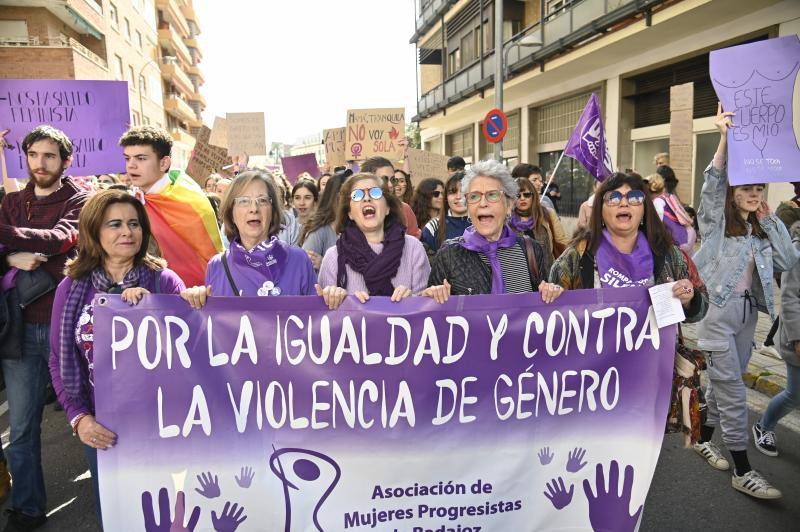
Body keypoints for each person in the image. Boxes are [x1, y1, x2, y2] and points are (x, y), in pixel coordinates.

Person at [48, 190, 185, 521]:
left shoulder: (163, 281)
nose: (127, 232)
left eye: (134, 223)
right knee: (119, 516)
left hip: (163, 426)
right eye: (115, 224)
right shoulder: (71, 287)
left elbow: (191, 352)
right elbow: (58, 358)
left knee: (167, 516)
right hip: (102, 428)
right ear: (95, 231)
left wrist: (156, 307)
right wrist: (79, 417)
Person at [691, 104, 798, 500]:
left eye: (759, 189)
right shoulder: (717, 228)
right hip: (717, 315)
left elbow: (788, 262)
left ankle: (703, 438)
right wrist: (722, 139)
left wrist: (770, 221)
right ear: (733, 192)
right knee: (734, 391)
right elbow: (711, 188)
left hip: (747, 317)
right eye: (746, 189)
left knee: (721, 389)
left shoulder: (760, 231)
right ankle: (742, 469)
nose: (753, 195)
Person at [0, 125, 88, 531]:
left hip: (67, 330)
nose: (41, 163)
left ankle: (114, 497)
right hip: (19, 331)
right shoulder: (12, 202)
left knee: (95, 415)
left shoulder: (80, 198)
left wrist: (9, 242)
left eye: (50, 156)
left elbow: (60, 241)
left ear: (65, 160)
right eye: (34, 154)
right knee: (20, 427)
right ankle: (29, 506)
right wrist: (11, 258)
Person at [549, 171, 707, 320]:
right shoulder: (577, 256)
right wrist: (552, 295)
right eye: (613, 198)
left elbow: (701, 308)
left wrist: (689, 299)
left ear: (644, 209)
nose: (624, 203)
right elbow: (552, 317)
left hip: (654, 348)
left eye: (634, 197)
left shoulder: (667, 253)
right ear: (600, 210)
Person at [428, 160, 561, 301]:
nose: (483, 203)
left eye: (492, 195)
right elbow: (431, 317)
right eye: (474, 196)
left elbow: (543, 311)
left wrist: (551, 293)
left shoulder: (531, 250)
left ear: (509, 205)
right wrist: (430, 297)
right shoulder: (448, 255)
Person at [181, 171, 316, 307]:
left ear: (273, 211)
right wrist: (196, 300)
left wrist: (332, 300)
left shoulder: (299, 260)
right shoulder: (217, 266)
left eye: (262, 200)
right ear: (231, 213)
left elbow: (316, 319)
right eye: (244, 201)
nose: (254, 209)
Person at [119, 125, 223, 288]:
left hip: (193, 297)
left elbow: (212, 260)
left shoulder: (189, 202)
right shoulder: (130, 200)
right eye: (127, 158)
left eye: (141, 158)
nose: (131, 166)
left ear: (164, 163)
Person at [317, 173, 431, 310]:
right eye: (357, 195)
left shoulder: (413, 248)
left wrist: (411, 301)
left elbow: (426, 312)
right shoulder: (333, 257)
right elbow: (324, 319)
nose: (366, 198)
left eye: (375, 193)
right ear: (350, 213)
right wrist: (338, 301)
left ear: (388, 208)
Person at [752, 221, 800, 459]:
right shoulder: (797, 250)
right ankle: (764, 426)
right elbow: (790, 298)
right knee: (795, 394)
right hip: (797, 336)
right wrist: (798, 338)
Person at [508, 177, 568, 275]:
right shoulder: (507, 219)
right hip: (520, 277)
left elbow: (562, 242)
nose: (522, 198)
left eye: (527, 195)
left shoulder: (547, 214)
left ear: (533, 196)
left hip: (548, 276)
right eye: (518, 195)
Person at [360, 156, 421, 238]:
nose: (390, 185)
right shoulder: (355, 209)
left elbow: (415, 240)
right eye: (384, 179)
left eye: (392, 179)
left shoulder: (404, 209)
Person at [301, 170, 348, 271]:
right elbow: (303, 270)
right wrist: (325, 266)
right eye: (346, 195)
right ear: (334, 197)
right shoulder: (319, 232)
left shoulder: (362, 228)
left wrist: (326, 264)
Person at [649, 167, 696, 255]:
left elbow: (655, 227)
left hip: (674, 249)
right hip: (686, 245)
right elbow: (688, 225)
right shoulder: (672, 198)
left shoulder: (658, 202)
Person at [421, 173, 470, 254]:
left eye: (463, 191)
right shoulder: (433, 227)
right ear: (446, 197)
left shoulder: (482, 221)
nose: (458, 196)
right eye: (453, 192)